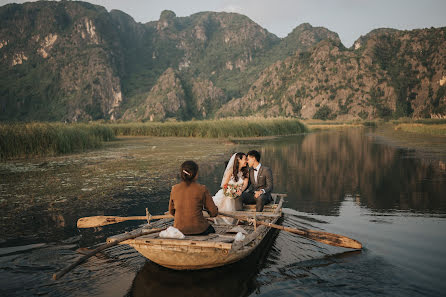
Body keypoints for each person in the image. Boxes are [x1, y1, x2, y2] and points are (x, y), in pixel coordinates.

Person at [169, 160, 218, 235]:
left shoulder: (174, 189)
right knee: (211, 229)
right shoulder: (202, 189)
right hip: (198, 229)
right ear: (196, 174)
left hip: (179, 229)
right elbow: (213, 212)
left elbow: (171, 211)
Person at [212, 152, 249, 224]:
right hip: (227, 193)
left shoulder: (245, 172)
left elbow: (245, 184)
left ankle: (236, 220)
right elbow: (224, 184)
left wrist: (241, 190)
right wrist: (231, 190)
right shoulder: (230, 171)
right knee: (226, 203)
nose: (246, 161)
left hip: (237, 193)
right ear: (238, 160)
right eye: (245, 159)